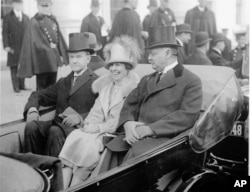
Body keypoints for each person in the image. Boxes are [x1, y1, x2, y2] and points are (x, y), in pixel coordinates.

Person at [108, 26, 203, 160]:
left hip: (164, 142)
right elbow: (130, 105)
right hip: (134, 137)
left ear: (168, 53)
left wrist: (150, 129)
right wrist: (128, 123)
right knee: (106, 153)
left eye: (153, 54)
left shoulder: (190, 81)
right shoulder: (147, 79)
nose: (149, 58)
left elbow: (187, 116)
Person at [59, 35, 141, 188]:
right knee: (75, 136)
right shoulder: (107, 86)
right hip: (98, 131)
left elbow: (119, 120)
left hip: (115, 133)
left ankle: (74, 187)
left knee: (87, 146)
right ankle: (63, 187)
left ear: (127, 67)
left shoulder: (133, 89)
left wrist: (96, 128)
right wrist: (90, 123)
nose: (113, 69)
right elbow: (96, 111)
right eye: (111, 65)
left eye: (118, 65)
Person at [23, 33, 98, 157]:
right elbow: (38, 95)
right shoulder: (63, 82)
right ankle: (35, 168)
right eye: (71, 57)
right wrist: (31, 109)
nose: (74, 61)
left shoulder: (96, 82)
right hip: (58, 126)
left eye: (78, 57)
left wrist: (80, 118)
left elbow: (104, 112)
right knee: (31, 127)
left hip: (80, 130)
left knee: (54, 130)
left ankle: (55, 172)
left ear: (88, 59)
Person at [17, 0, 69, 91]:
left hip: (53, 59)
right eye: (43, 6)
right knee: (42, 88)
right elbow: (37, 42)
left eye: (48, 6)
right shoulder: (34, 22)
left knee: (52, 86)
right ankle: (41, 104)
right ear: (38, 6)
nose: (46, 8)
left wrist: (61, 52)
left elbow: (58, 37)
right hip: (42, 61)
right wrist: (51, 48)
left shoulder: (52, 19)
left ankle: (50, 104)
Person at [2, 0, 29, 93]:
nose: (18, 6)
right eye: (16, 3)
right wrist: (6, 46)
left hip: (24, 47)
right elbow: (5, 33)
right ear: (13, 4)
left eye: (20, 4)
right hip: (13, 47)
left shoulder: (26, 17)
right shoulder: (8, 17)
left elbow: (29, 33)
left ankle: (22, 85)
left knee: (23, 66)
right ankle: (16, 86)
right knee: (14, 66)